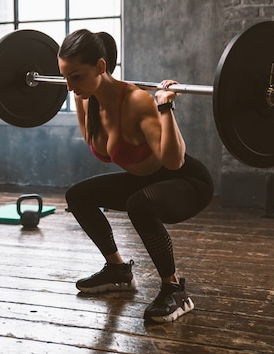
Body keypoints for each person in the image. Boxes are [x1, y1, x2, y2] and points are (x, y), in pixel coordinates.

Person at [59, 29, 214, 323]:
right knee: (78, 196)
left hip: (187, 181)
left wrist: (165, 106)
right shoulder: (85, 100)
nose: (68, 87)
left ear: (101, 67)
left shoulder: (136, 101)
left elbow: (174, 160)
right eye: (65, 76)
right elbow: (96, 144)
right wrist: (79, 87)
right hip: (146, 181)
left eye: (75, 76)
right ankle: (118, 271)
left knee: (138, 204)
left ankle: (174, 288)